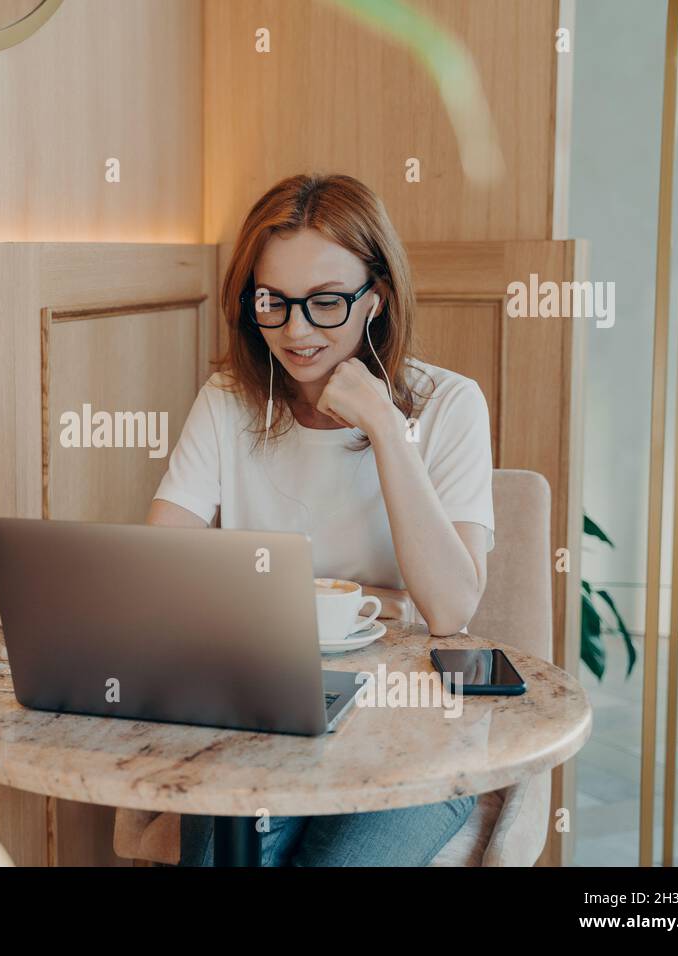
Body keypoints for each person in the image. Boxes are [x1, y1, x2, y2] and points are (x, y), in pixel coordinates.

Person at [149, 173, 493, 866]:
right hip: (264, 713)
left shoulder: (451, 405)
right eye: (272, 302)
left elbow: (451, 607)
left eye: (327, 302)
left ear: (378, 299)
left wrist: (387, 429)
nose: (296, 331)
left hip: (413, 723)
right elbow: (159, 575)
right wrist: (381, 604)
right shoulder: (228, 402)